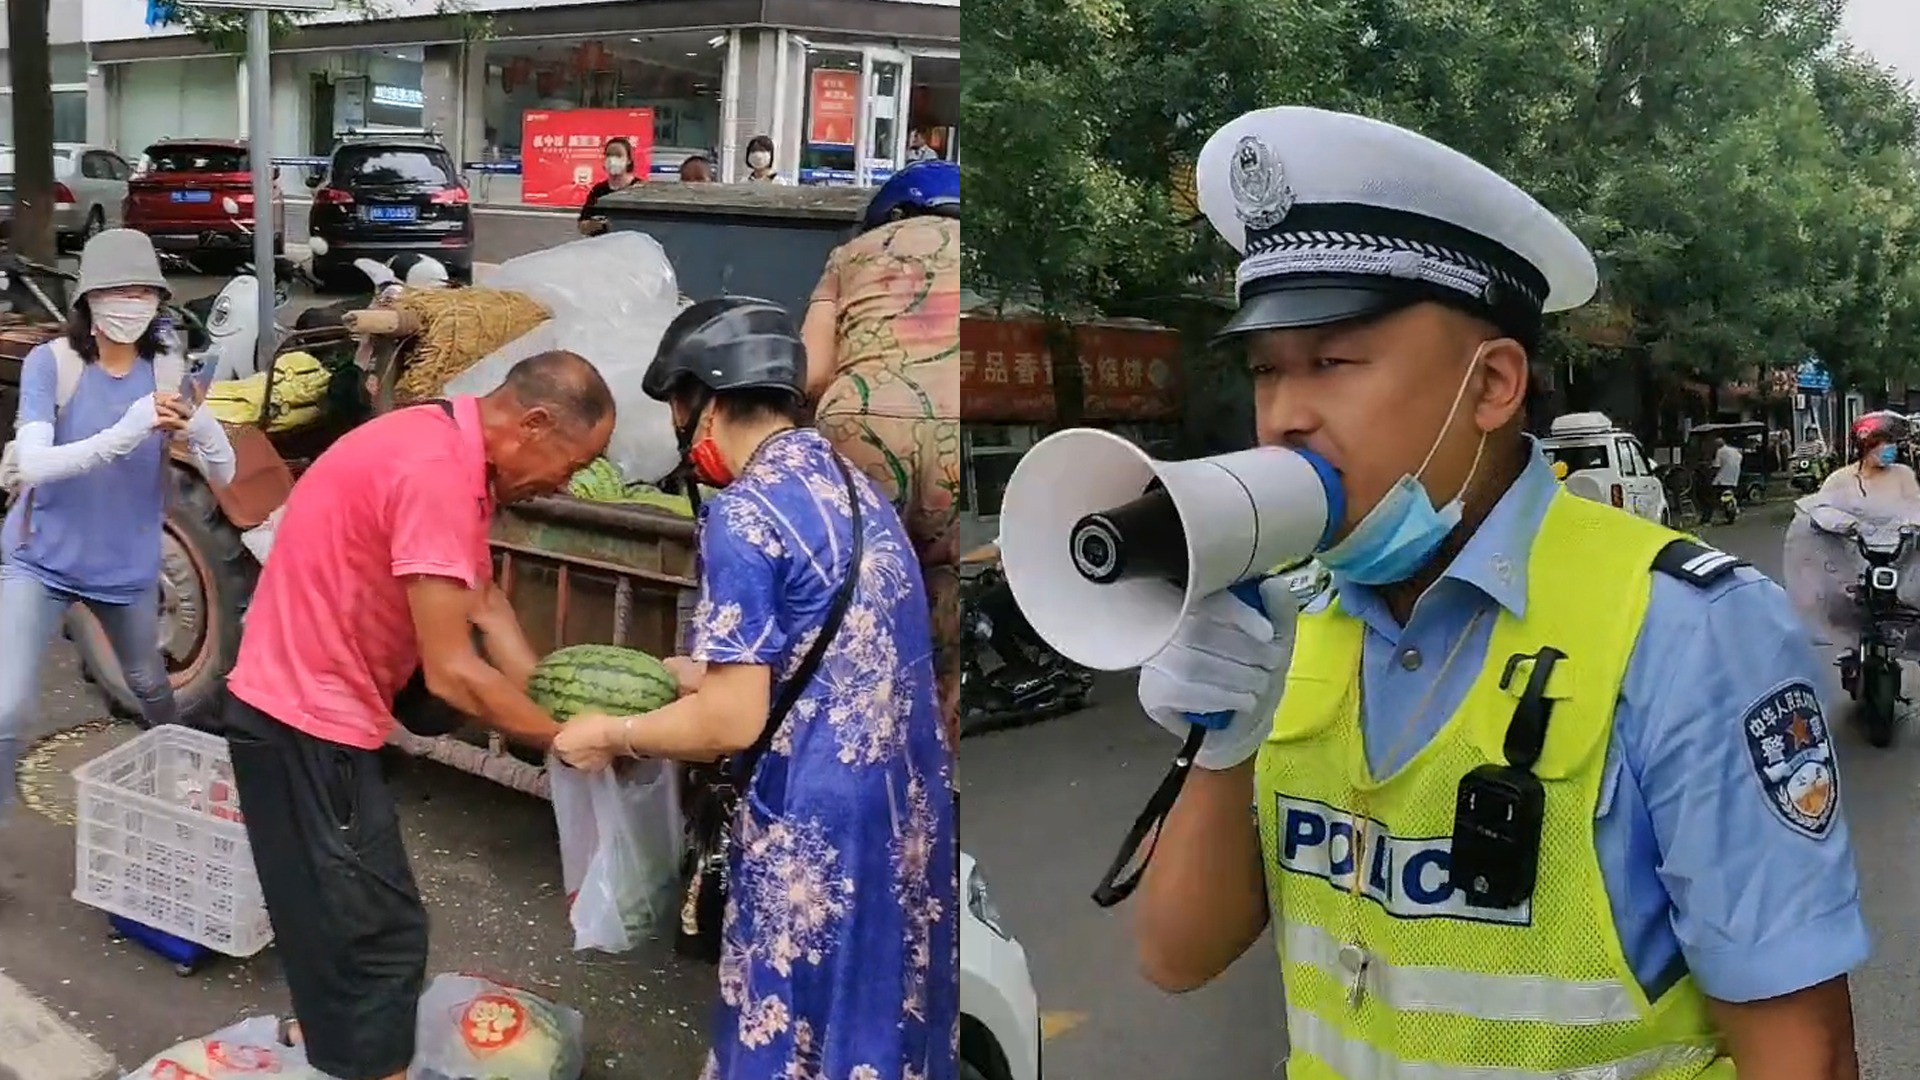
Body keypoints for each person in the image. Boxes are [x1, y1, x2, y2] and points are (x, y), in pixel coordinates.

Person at [1129, 107, 1864, 1077]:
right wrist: (1222, 747)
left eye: (1333, 363)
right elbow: (1176, 954)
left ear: (1493, 386)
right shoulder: (1290, 615)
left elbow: (1802, 1053)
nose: (1285, 418)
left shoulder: (1686, 633)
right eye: (1267, 373)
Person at [552, 298, 956, 1080]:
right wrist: (700, 672)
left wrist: (614, 735)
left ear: (701, 396)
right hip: (900, 812)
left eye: (676, 405)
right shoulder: (851, 481)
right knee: (876, 1005)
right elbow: (834, 644)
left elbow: (732, 723)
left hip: (814, 822)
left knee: (793, 1019)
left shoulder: (744, 513)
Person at [218, 351, 614, 1080]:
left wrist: (561, 703)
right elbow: (454, 672)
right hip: (302, 719)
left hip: (304, 710)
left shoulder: (446, 448)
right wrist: (563, 737)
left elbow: (485, 607)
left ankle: (334, 1048)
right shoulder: (436, 474)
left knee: (340, 921)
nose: (568, 481)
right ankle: (359, 1061)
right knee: (377, 940)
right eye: (573, 459)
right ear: (534, 423)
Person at [0, 229, 234, 818]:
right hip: (40, 559)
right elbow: (33, 462)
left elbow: (225, 471)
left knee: (151, 686)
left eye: (142, 291)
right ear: (88, 300)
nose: (129, 303)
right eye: (116, 291)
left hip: (125, 569)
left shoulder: (165, 373)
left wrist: (200, 429)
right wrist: (123, 434)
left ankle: (177, 775)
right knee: (4, 708)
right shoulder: (51, 365)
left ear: (158, 301)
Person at [801, 158, 962, 742]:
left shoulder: (851, 256)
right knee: (944, 579)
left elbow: (812, 371)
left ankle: (851, 743)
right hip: (955, 427)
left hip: (862, 419)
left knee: (859, 596)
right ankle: (937, 756)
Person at [1822, 411, 1920, 501]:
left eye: (1893, 441)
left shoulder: (1904, 474)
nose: (1891, 447)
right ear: (1865, 445)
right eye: (1884, 441)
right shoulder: (1839, 480)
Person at [578, 136, 641, 236]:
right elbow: (582, 225)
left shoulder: (639, 188)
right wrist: (596, 225)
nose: (612, 159)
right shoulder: (598, 190)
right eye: (609, 155)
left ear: (629, 160)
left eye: (618, 155)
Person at [1711, 434, 1744, 522]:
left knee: (1714, 491)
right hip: (1735, 475)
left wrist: (1712, 471)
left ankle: (1719, 508)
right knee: (1733, 490)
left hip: (1723, 477)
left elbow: (1716, 465)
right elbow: (1740, 459)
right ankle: (1736, 507)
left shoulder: (1720, 451)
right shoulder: (1734, 450)